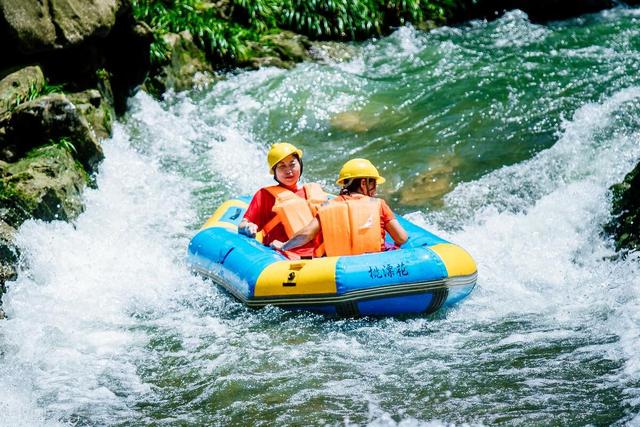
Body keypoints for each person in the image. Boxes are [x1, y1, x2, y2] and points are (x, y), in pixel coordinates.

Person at [270, 158, 408, 257]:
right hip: (372, 267)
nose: (375, 188)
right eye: (373, 183)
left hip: (337, 268)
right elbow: (401, 238)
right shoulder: (379, 204)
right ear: (363, 183)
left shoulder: (326, 207)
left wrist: (284, 246)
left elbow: (306, 235)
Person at [238, 142, 326, 258]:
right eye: (282, 166)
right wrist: (248, 227)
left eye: (292, 164)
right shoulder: (264, 195)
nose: (288, 170)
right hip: (285, 258)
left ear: (300, 165)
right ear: (274, 172)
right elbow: (242, 224)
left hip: (322, 257)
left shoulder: (313, 191)